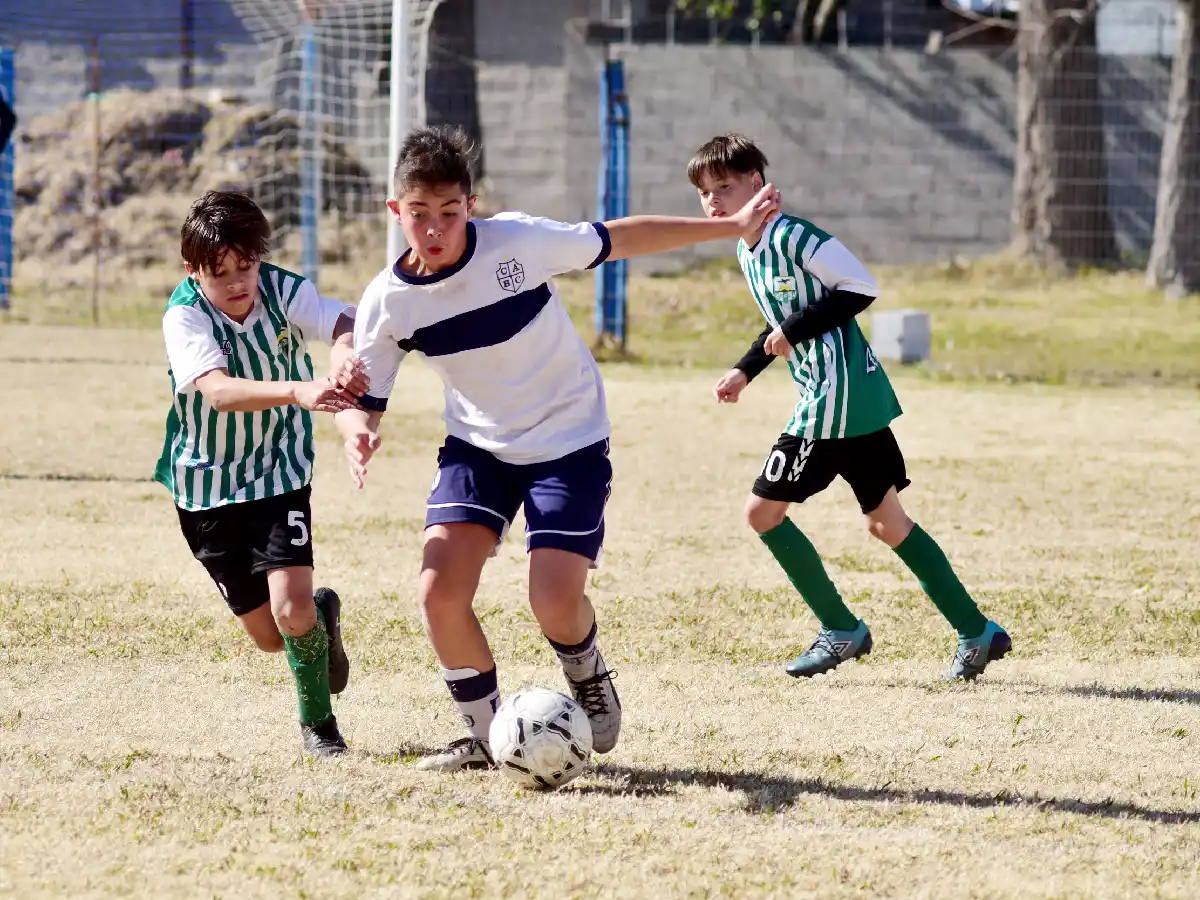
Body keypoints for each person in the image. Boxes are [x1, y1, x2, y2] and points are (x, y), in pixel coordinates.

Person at [335, 125, 781, 771]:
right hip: (478, 447)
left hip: (568, 437)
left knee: (551, 597)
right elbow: (361, 401)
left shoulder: (518, 242)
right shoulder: (388, 302)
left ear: (471, 206)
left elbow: (621, 237)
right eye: (419, 215)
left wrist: (730, 225)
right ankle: (488, 739)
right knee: (438, 593)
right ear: (395, 211)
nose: (435, 229)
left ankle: (587, 670)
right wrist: (359, 433)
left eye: (450, 213)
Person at [688, 134, 1011, 681]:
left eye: (725, 187)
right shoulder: (748, 250)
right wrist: (746, 368)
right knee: (887, 523)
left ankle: (841, 630)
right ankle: (977, 631)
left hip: (832, 402)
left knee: (762, 513)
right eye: (704, 193)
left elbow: (860, 287)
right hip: (849, 400)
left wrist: (792, 331)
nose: (714, 201)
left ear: (758, 186)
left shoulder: (792, 236)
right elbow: (780, 317)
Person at [154, 190, 367, 755]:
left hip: (280, 469)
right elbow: (219, 393)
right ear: (192, 270)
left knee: (289, 610)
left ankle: (319, 729)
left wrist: (343, 350)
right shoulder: (185, 316)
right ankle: (323, 615)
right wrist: (298, 390)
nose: (236, 282)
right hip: (207, 486)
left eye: (244, 266)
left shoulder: (279, 288)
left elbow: (339, 317)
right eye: (218, 273)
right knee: (272, 637)